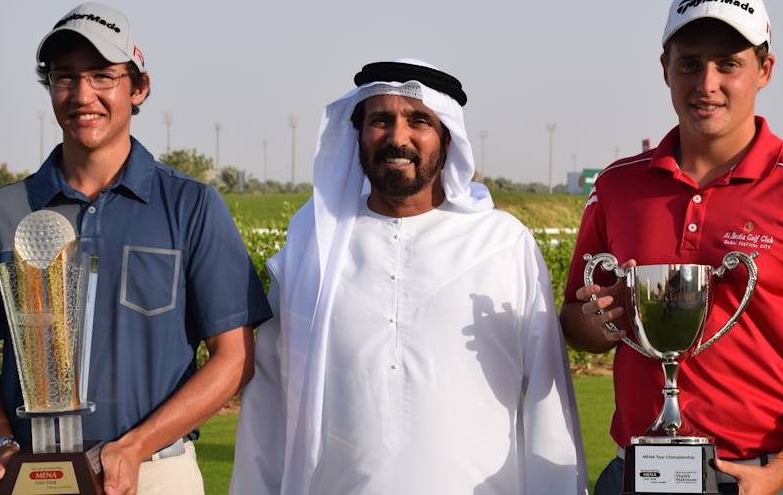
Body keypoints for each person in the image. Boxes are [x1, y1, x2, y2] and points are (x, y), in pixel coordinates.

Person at [560, 0, 783, 495]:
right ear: (664, 69)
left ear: (765, 70)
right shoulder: (617, 187)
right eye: (689, 63)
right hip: (637, 471)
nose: (707, 83)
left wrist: (782, 471)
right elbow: (575, 321)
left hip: (767, 476)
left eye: (729, 64)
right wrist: (605, 320)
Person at [0, 2, 271, 495]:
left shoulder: (191, 205)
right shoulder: (2, 212)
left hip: (154, 470)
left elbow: (234, 357)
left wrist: (137, 445)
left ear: (138, 87)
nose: (82, 95)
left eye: (103, 76)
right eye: (65, 77)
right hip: (22, 472)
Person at [231, 59, 586, 494]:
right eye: (380, 120)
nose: (397, 137)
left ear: (447, 137)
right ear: (358, 134)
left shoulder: (502, 244)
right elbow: (268, 398)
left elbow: (546, 403)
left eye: (418, 120)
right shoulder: (314, 242)